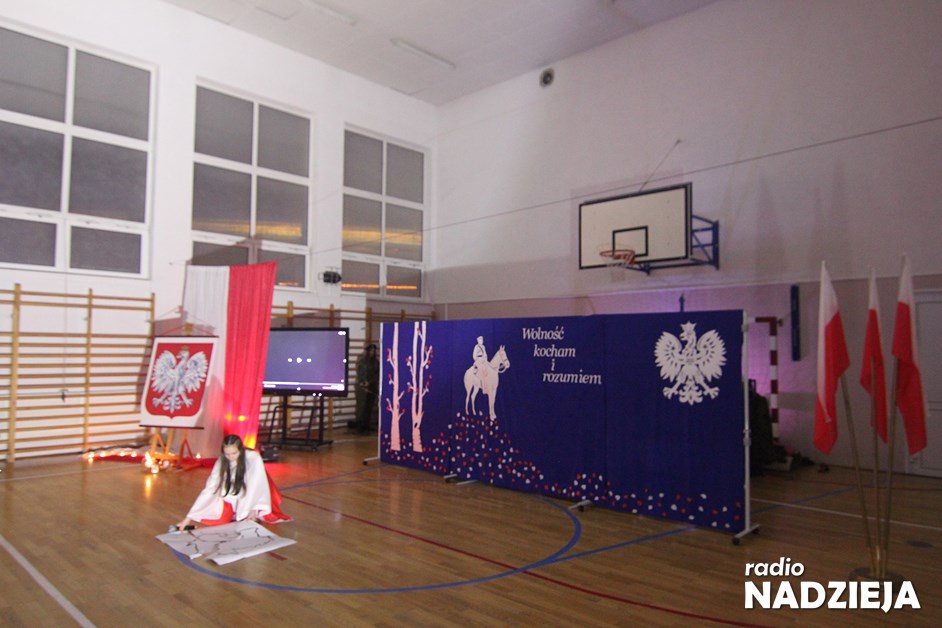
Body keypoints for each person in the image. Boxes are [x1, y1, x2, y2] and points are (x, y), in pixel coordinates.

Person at [175, 434, 290, 529]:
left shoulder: (253, 458)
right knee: (219, 520)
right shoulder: (221, 461)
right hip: (233, 492)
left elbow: (257, 485)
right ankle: (236, 511)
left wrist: (253, 509)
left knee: (248, 518)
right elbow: (210, 488)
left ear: (241, 450)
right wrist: (188, 518)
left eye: (234, 453)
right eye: (227, 454)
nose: (231, 457)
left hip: (252, 492)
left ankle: (249, 511)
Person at [354, 343, 379, 433]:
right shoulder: (362, 360)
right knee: (361, 406)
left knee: (369, 406)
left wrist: (372, 382)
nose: (372, 352)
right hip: (362, 386)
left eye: (374, 350)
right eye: (371, 350)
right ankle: (360, 426)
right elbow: (361, 373)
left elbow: (377, 374)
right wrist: (365, 383)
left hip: (372, 386)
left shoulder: (376, 362)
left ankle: (366, 424)